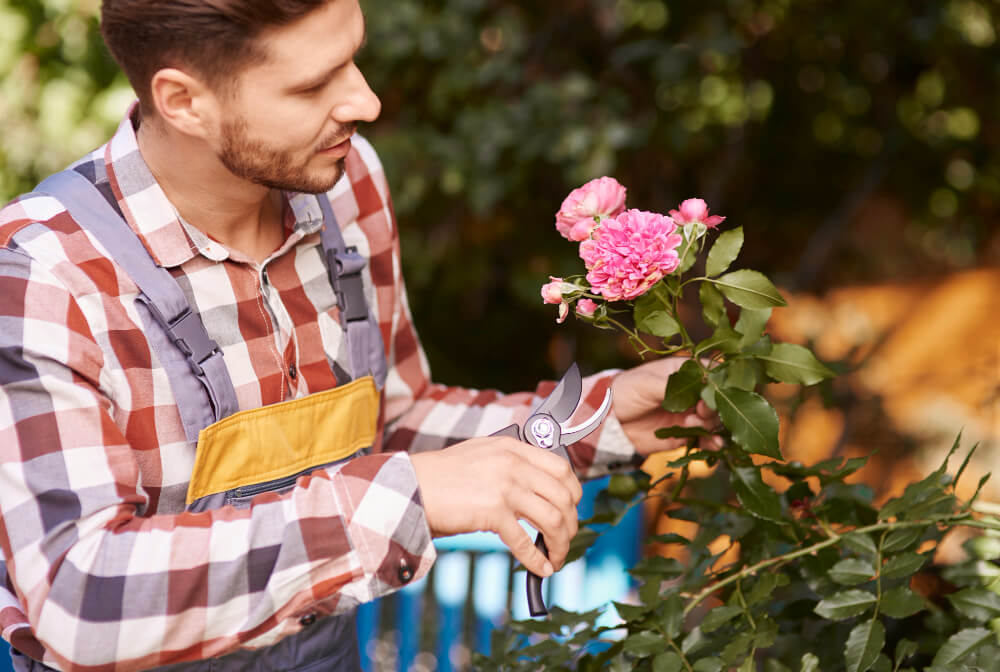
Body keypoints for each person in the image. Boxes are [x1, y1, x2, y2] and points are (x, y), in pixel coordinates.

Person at [0, 1, 716, 670]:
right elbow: (77, 598)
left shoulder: (343, 187)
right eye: (313, 87)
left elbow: (391, 422)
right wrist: (403, 500)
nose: (366, 103)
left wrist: (595, 420)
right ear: (185, 100)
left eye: (354, 58)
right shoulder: (45, 274)